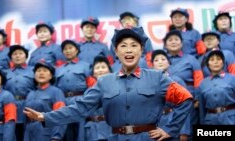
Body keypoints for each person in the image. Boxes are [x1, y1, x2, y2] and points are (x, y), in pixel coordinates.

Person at [24, 28, 193, 141]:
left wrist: (170, 129)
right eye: (123, 46)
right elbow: (79, 108)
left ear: (141, 50)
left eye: (134, 46)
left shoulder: (157, 78)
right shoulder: (104, 81)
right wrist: (45, 117)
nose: (128, 50)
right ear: (116, 51)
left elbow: (185, 99)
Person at [163, 30, 204, 139]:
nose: (173, 42)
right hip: (167, 104)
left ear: (182, 43)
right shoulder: (162, 59)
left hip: (188, 101)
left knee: (187, 133)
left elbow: (198, 79)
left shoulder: (190, 59)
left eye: (176, 39)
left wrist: (197, 98)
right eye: (170, 40)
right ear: (165, 44)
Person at [55, 39, 90, 141]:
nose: (68, 51)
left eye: (70, 48)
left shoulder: (85, 66)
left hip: (81, 101)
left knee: (81, 132)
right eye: (65, 49)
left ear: (77, 50)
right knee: (67, 132)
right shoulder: (58, 69)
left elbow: (91, 86)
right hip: (64, 102)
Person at [23, 61, 66, 141]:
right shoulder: (30, 94)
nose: (41, 73)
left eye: (45, 71)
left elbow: (60, 115)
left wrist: (56, 137)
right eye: (38, 71)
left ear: (51, 76)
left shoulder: (56, 92)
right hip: (29, 134)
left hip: (46, 133)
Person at [4, 45, 35, 141]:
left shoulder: (34, 70)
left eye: (20, 53)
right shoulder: (5, 73)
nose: (17, 56)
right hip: (10, 107)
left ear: (26, 56)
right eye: (14, 54)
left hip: (29, 106)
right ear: (11, 58)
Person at [198, 50, 235, 125]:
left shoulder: (232, 79)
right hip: (211, 120)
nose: (216, 62)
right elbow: (202, 109)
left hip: (230, 119)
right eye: (212, 60)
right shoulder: (203, 83)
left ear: (223, 62)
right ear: (208, 64)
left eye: (218, 59)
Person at [85, 56, 112, 141]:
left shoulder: (117, 88)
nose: (100, 70)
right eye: (97, 68)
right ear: (93, 73)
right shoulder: (88, 91)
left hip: (110, 129)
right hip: (93, 130)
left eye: (103, 67)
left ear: (109, 71)